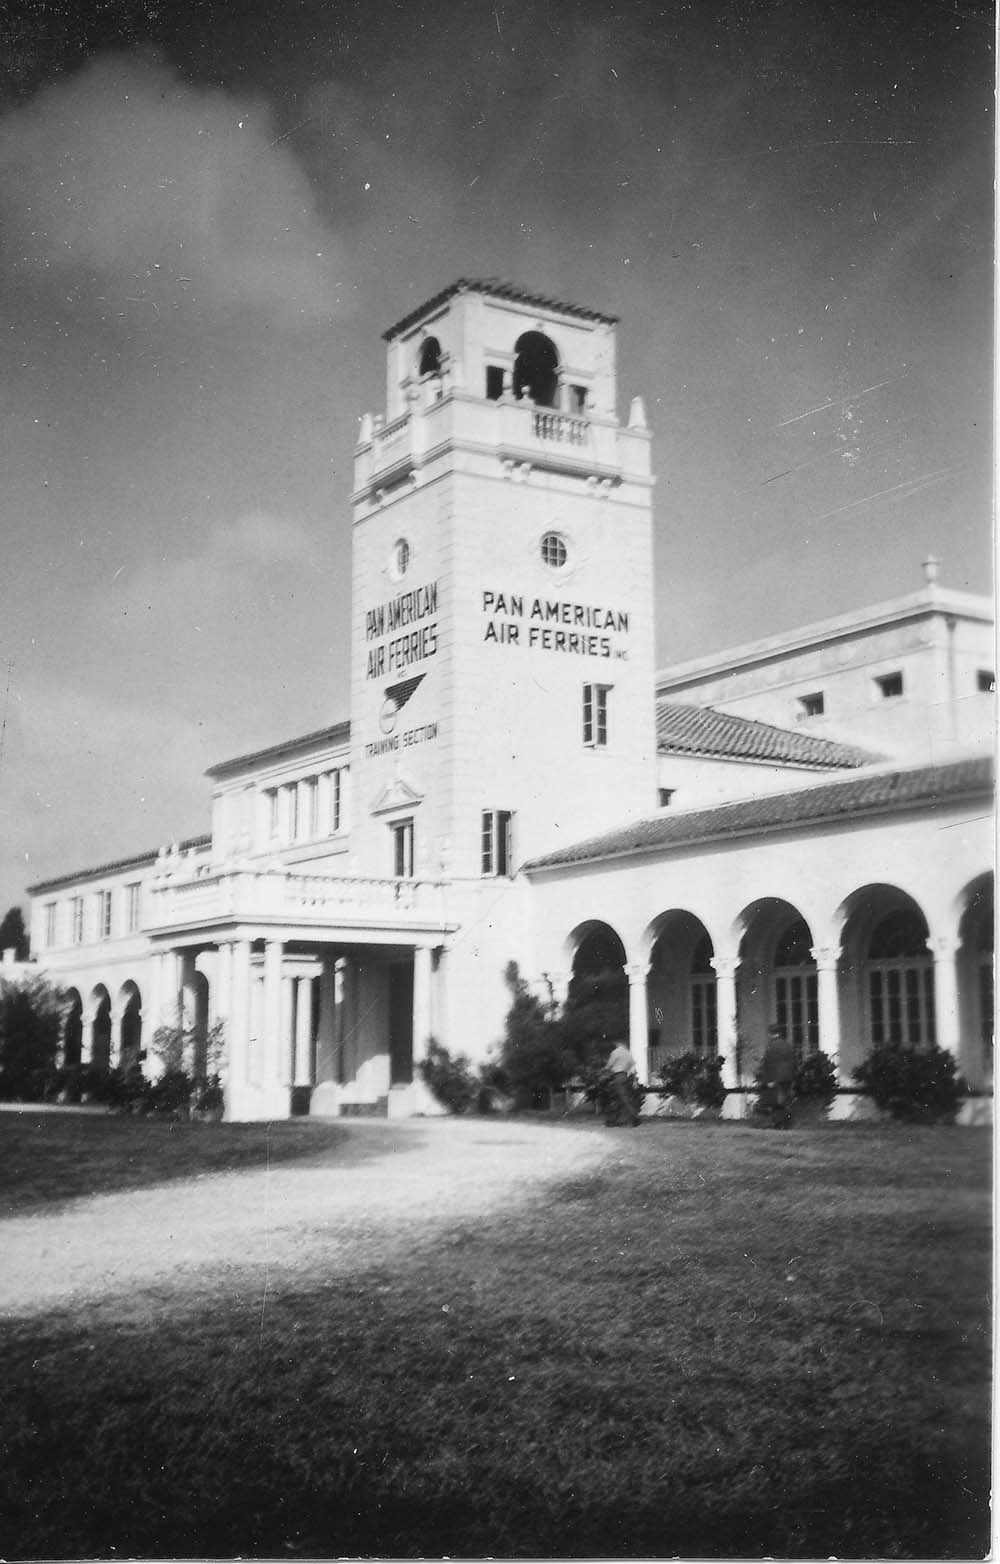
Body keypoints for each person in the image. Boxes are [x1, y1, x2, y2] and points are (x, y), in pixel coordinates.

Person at [759, 1024, 796, 1128]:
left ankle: (779, 1124)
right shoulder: (787, 1045)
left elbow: (770, 1064)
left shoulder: (772, 1046)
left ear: (770, 1034)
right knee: (785, 1101)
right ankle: (786, 1123)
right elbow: (793, 1062)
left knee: (776, 1102)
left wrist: (769, 1080)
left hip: (776, 1078)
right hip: (787, 1077)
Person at [605, 1038, 641, 1127]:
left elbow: (609, 1065)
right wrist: (634, 1080)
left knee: (623, 1099)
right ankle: (614, 1120)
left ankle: (635, 1118)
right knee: (620, 1098)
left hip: (617, 1076)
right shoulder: (628, 1053)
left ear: (618, 1043)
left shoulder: (615, 1052)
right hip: (625, 1076)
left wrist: (605, 1070)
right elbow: (633, 1067)